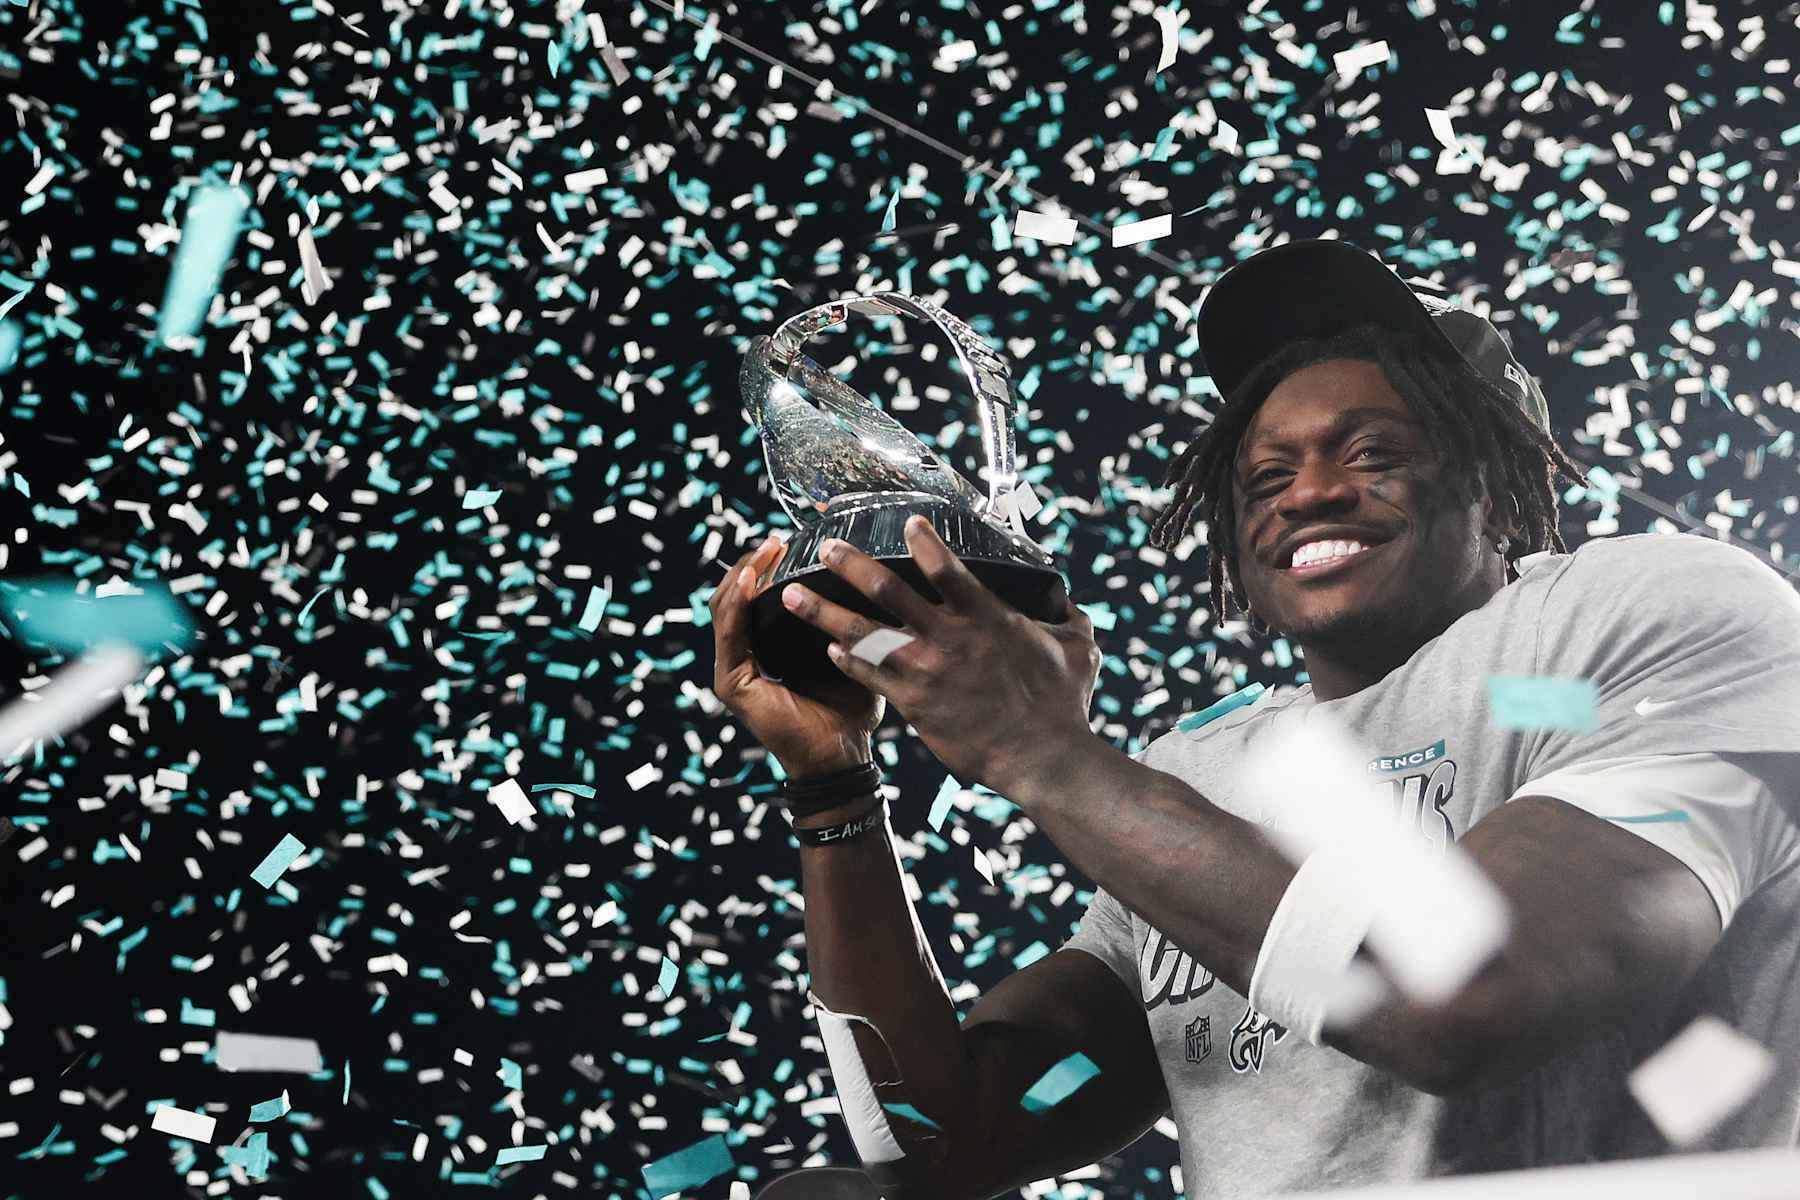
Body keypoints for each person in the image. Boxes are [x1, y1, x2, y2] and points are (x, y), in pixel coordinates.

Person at [709, 239, 1800, 1199]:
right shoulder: (1206, 772)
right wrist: (834, 786)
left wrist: (1041, 749)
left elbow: (1473, 999)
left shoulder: (1651, 617)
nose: (1309, 492)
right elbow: (949, 1142)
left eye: (1373, 451)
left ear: (1499, 482)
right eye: (1262, 474)